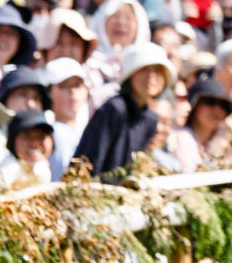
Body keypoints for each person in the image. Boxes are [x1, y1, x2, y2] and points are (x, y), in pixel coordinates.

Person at [73, 42, 173, 178]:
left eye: (157, 70)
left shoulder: (151, 119)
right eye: (144, 69)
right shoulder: (114, 109)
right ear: (130, 74)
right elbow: (90, 162)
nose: (151, 77)